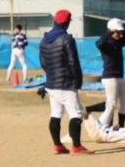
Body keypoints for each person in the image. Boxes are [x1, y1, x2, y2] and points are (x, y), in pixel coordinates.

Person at [39, 9, 94, 155]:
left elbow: (43, 63)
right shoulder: (67, 39)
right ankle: (76, 147)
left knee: (56, 114)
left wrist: (52, 75)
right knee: (75, 114)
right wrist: (78, 81)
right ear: (68, 23)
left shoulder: (44, 40)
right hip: (66, 84)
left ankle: (58, 145)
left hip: (51, 83)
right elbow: (73, 62)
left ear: (54, 21)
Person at [94, 18, 125, 127]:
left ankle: (120, 126)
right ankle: (101, 126)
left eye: (120, 31)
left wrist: (121, 29)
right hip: (110, 77)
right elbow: (98, 44)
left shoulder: (119, 42)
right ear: (110, 30)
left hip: (120, 76)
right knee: (111, 104)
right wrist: (110, 32)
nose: (119, 34)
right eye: (117, 31)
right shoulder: (105, 43)